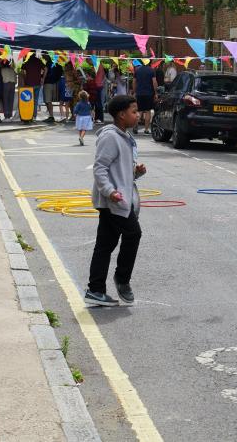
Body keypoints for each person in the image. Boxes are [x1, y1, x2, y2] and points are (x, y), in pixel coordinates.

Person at [85, 95, 146, 307]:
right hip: (113, 201)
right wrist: (110, 192)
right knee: (133, 234)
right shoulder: (110, 137)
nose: (137, 115)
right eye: (134, 111)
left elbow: (118, 171)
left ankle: (95, 290)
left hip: (118, 199)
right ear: (121, 115)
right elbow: (100, 168)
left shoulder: (124, 137)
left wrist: (135, 173)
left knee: (105, 245)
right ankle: (122, 280)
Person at [132, 61, 157, 135]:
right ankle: (146, 129)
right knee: (148, 111)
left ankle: (135, 127)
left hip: (139, 93)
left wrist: (134, 91)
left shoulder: (137, 70)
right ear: (149, 63)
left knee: (139, 110)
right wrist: (156, 92)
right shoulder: (151, 70)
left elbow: (134, 82)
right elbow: (154, 82)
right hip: (149, 93)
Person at [21, 52, 46, 121]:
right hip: (37, 84)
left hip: (29, 84)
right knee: (35, 101)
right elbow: (46, 69)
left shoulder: (27, 61)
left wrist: (24, 77)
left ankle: (29, 115)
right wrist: (43, 78)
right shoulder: (38, 61)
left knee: (29, 101)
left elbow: (22, 70)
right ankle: (34, 116)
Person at [43, 57, 63, 123]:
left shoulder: (48, 63)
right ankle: (50, 116)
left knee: (48, 100)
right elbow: (61, 72)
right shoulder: (57, 65)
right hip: (55, 84)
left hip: (48, 83)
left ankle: (51, 116)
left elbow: (45, 71)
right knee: (49, 100)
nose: (43, 57)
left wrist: (42, 79)